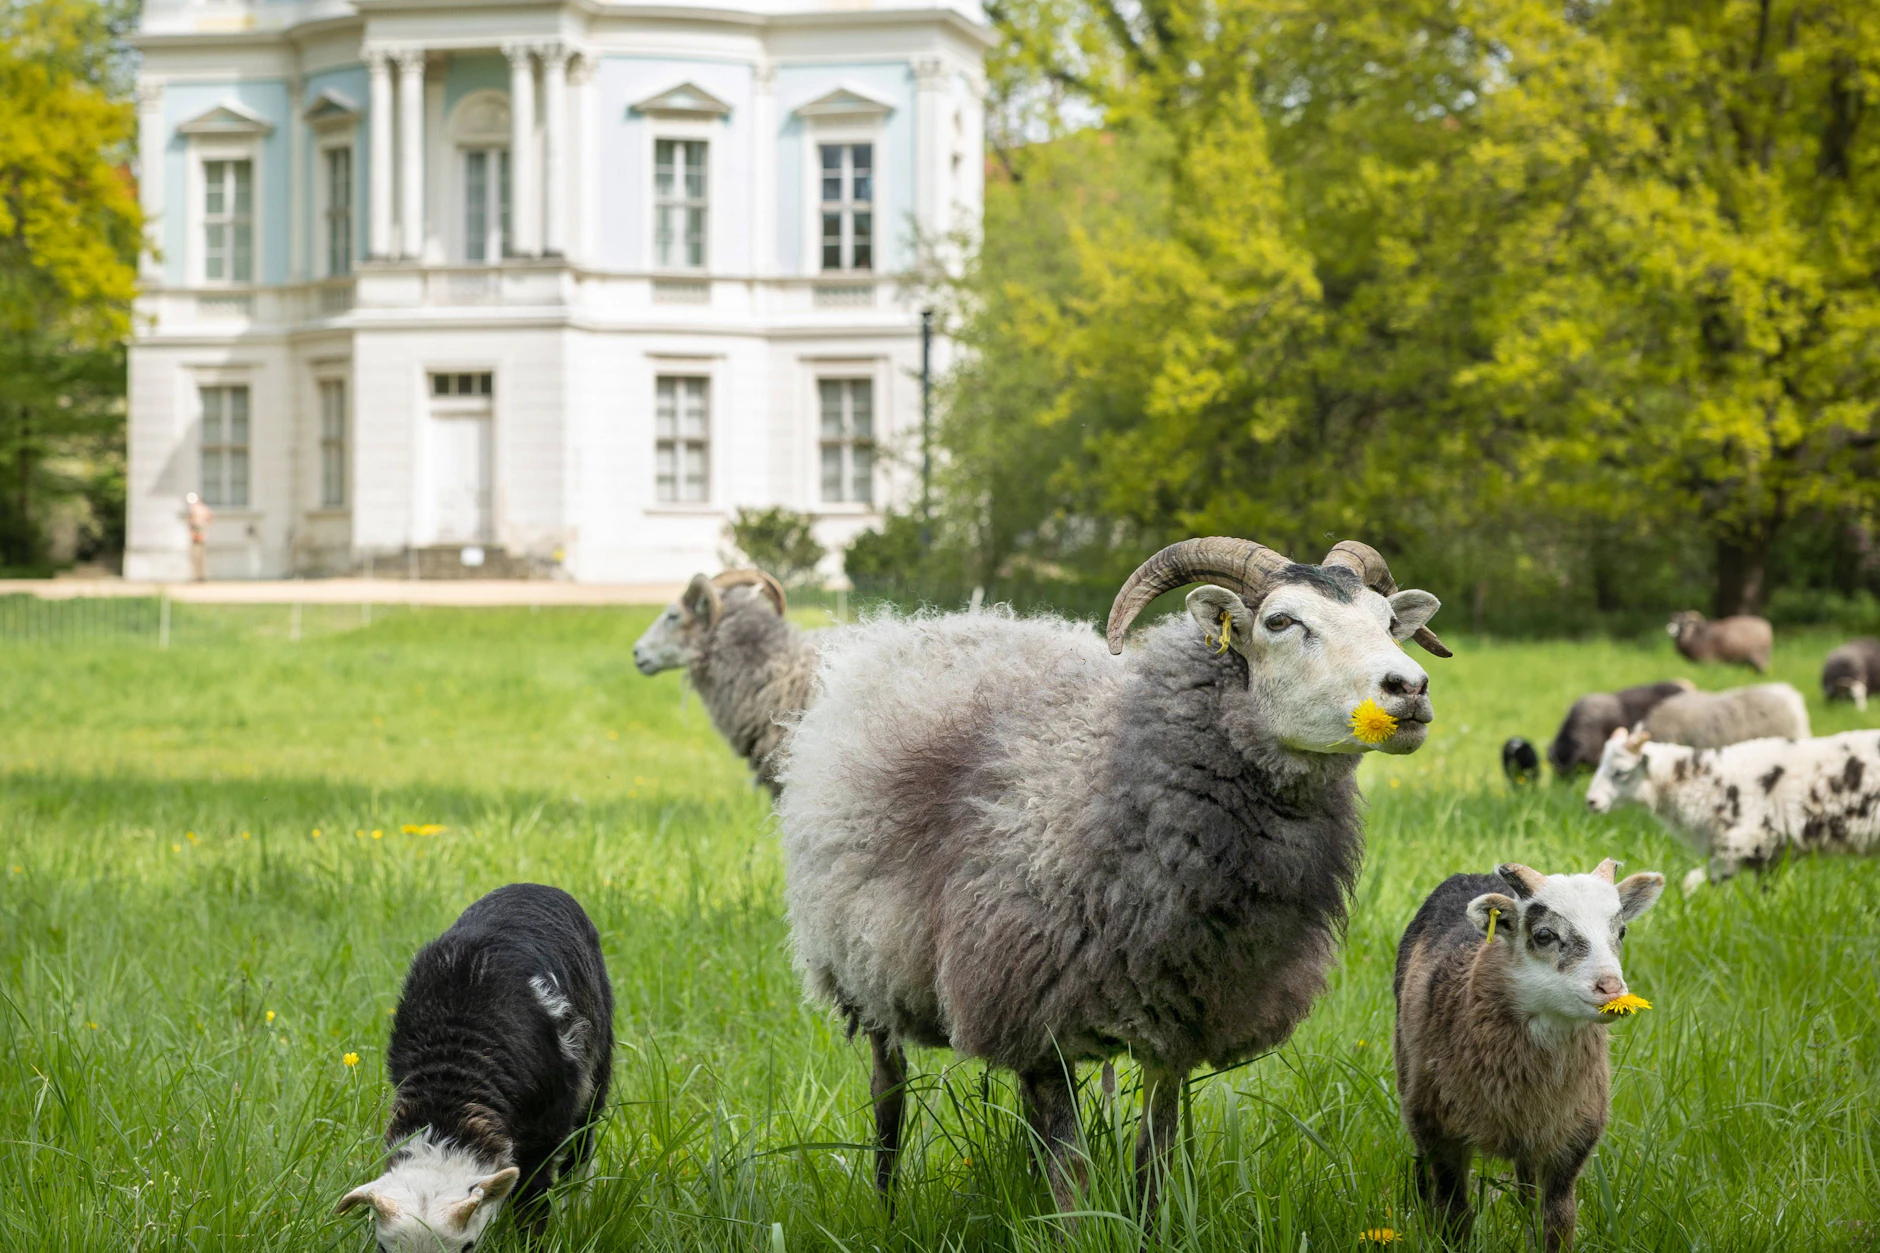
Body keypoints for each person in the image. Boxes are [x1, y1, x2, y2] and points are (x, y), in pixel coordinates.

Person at [185, 492, 214, 582]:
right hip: (200, 533)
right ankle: (200, 576)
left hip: (198, 533)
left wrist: (200, 527)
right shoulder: (203, 508)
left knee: (197, 556)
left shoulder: (195, 509)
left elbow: (192, 521)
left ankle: (198, 576)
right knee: (199, 556)